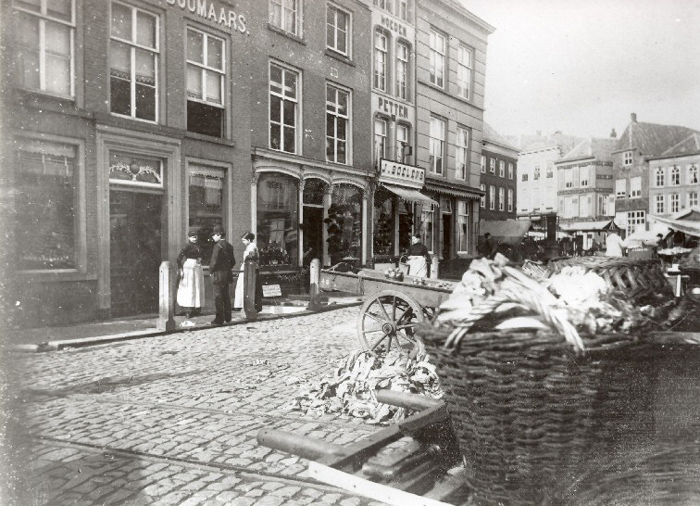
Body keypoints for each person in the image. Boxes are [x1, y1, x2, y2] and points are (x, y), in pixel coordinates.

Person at [176, 228, 205, 327]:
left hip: (197, 267)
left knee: (197, 287)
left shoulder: (199, 246)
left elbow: (201, 254)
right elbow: (179, 258)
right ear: (189, 237)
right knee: (189, 287)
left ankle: (196, 308)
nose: (195, 238)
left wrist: (200, 258)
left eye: (196, 237)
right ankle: (187, 310)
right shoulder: (187, 246)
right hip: (189, 268)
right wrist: (180, 269)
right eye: (193, 237)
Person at [209, 225, 235, 325]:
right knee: (226, 296)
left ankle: (219, 319)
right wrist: (227, 269)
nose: (213, 237)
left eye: (214, 235)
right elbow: (233, 261)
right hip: (227, 274)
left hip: (218, 274)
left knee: (218, 297)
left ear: (219, 235)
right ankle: (228, 317)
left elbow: (214, 261)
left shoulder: (217, 246)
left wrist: (211, 271)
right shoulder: (229, 246)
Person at [233, 232, 263, 312]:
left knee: (246, 286)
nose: (243, 242)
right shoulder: (251, 246)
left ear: (249, 240)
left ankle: (244, 305)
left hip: (249, 269)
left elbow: (251, 257)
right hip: (247, 268)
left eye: (244, 240)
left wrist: (246, 260)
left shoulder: (251, 246)